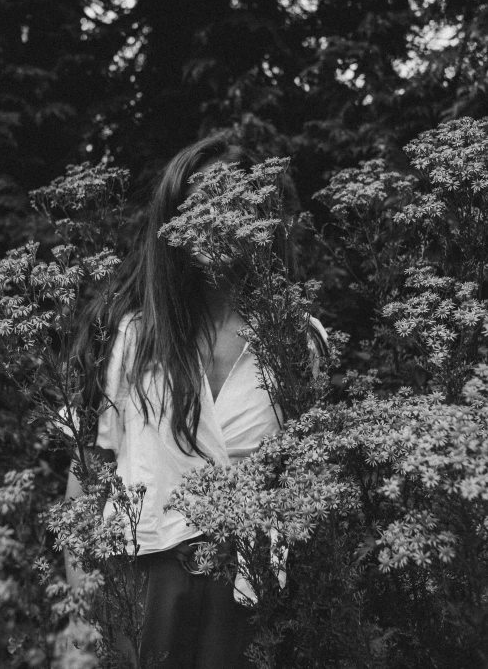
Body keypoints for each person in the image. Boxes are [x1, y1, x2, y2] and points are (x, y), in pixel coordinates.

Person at [64, 133, 327, 668]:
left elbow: (308, 477)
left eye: (235, 199)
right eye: (200, 202)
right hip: (144, 580)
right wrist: (79, 614)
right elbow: (88, 472)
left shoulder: (299, 340)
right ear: (174, 223)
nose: (218, 217)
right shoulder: (129, 334)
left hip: (253, 592)